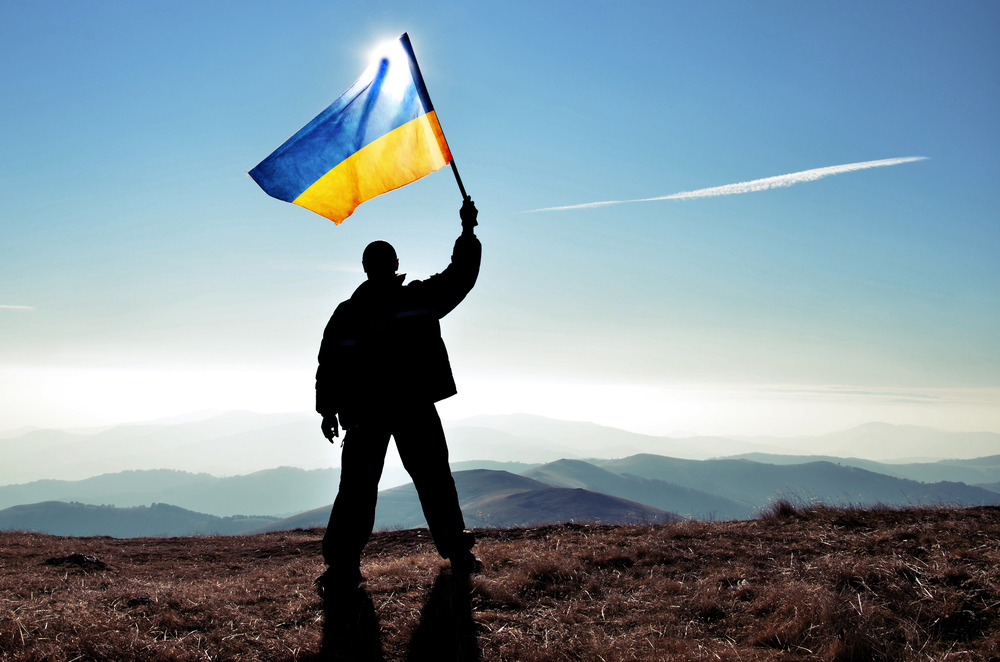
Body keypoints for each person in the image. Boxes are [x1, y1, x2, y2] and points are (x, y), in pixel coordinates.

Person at [315, 199, 483, 596]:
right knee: (422, 483)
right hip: (397, 408)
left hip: (382, 411)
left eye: (381, 262)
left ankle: (343, 567)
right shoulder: (408, 301)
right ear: (386, 265)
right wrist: (327, 409)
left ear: (386, 266)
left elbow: (328, 364)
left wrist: (468, 232)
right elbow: (330, 364)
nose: (379, 268)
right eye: (376, 263)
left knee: (370, 488)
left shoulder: (352, 312)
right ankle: (456, 555)